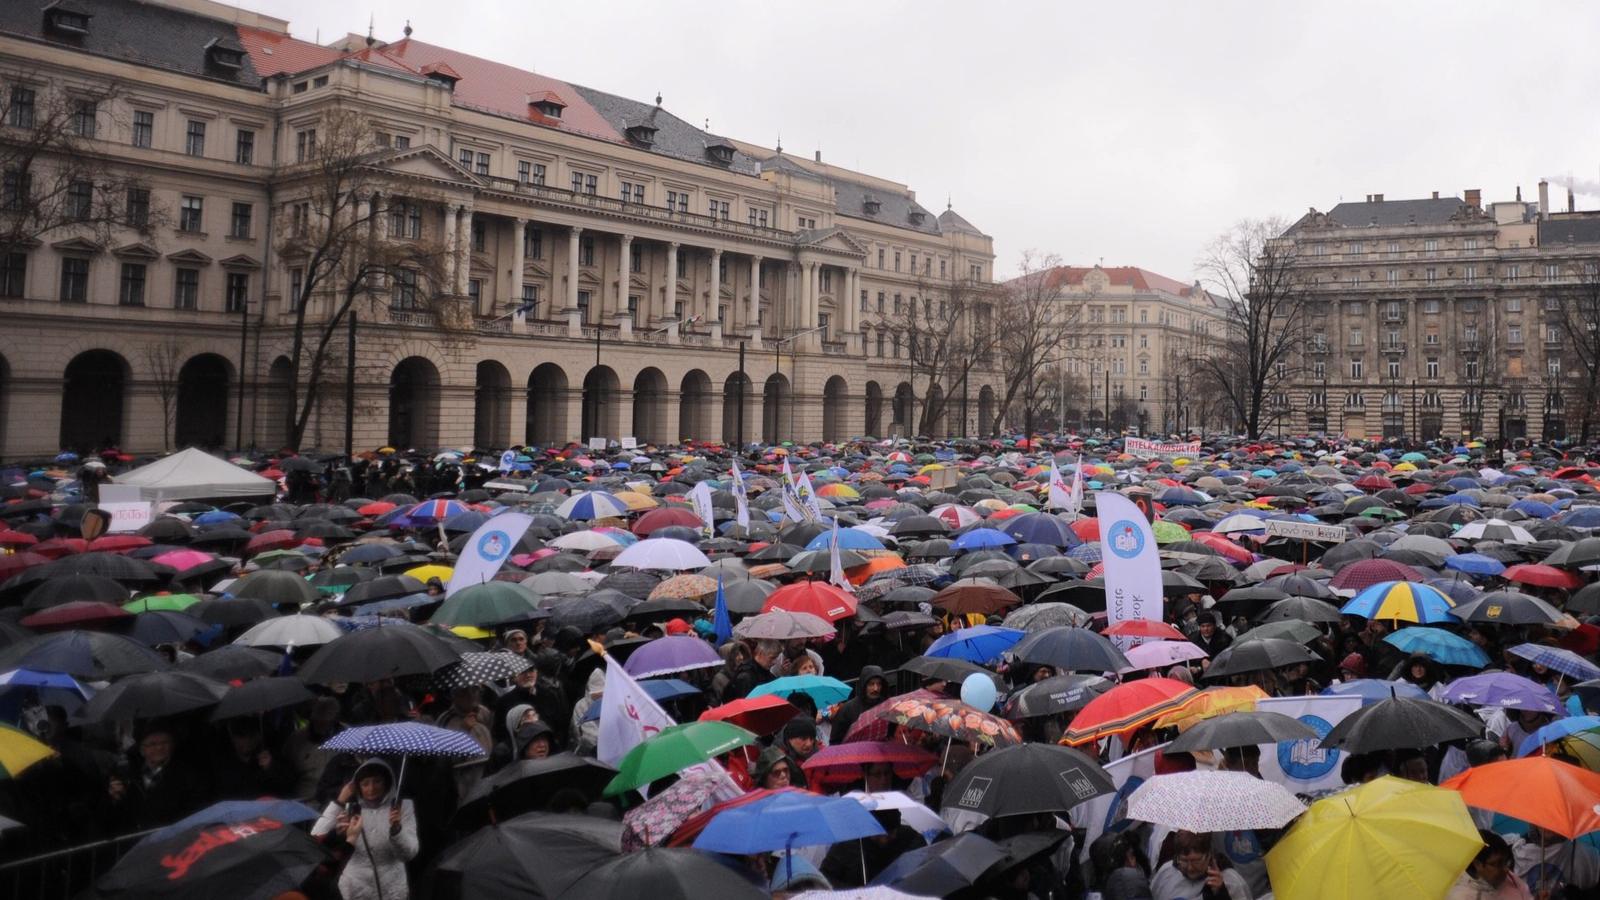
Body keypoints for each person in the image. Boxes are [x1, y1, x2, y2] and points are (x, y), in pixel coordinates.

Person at [313, 758, 419, 900]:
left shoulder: (401, 807)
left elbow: (408, 854)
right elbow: (316, 836)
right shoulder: (350, 809)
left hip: (393, 890)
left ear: (387, 782)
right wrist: (339, 802)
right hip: (355, 890)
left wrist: (397, 831)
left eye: (377, 781)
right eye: (365, 784)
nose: (371, 788)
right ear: (358, 787)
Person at [1150, 830, 1251, 899]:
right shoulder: (1166, 872)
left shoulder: (1231, 882)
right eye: (1184, 861)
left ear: (1209, 855)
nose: (1190, 868)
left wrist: (1220, 894)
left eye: (1196, 861)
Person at [1447, 830, 1534, 899]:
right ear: (1478, 864)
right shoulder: (1462, 896)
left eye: (1506, 862)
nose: (1506, 869)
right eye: (1498, 864)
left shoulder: (1510, 879)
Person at [830, 665, 888, 744]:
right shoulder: (848, 709)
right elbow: (835, 740)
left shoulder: (887, 706)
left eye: (879, 684)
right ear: (864, 685)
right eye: (871, 684)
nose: (875, 688)